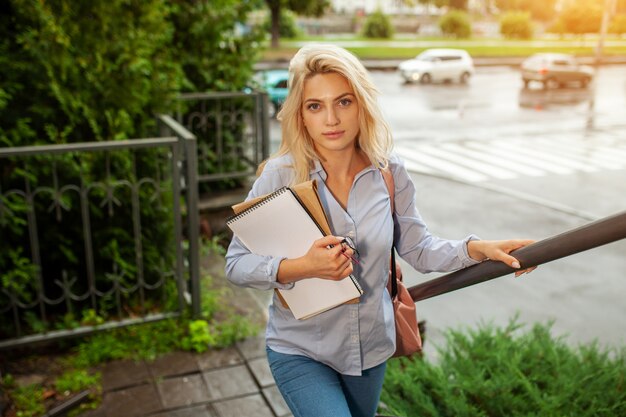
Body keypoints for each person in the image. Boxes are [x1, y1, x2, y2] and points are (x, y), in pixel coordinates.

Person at [225, 44, 535, 417]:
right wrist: (302, 266)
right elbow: (236, 264)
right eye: (315, 106)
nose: (331, 119)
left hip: (370, 350)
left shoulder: (390, 173)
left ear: (361, 105)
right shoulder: (282, 176)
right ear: (301, 116)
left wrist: (478, 249)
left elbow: (418, 248)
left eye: (343, 102)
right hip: (301, 349)